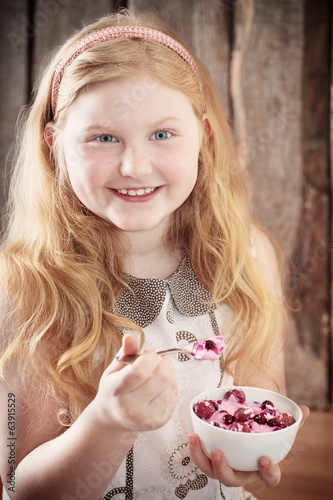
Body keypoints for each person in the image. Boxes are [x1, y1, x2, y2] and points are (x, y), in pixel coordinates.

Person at [0, 9, 308, 500]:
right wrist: (106, 422)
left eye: (162, 134)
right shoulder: (25, 285)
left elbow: (257, 403)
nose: (135, 165)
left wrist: (247, 454)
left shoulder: (248, 256)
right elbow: (21, 489)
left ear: (204, 137)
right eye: (103, 137)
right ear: (53, 143)